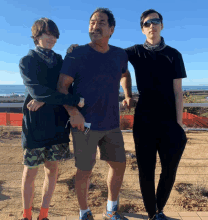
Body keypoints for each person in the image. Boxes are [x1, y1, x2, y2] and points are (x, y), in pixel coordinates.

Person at [58, 7, 132, 220]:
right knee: (84, 170)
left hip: (111, 123)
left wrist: (127, 94)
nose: (95, 26)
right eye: (92, 22)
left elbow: (125, 74)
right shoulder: (77, 54)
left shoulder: (119, 54)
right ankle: (84, 213)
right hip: (84, 125)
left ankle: (110, 210)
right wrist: (73, 112)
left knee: (119, 165)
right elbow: (62, 87)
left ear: (111, 29)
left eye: (101, 22)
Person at [123, 9, 188, 220]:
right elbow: (114, 64)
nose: (152, 25)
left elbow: (178, 92)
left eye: (156, 21)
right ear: (142, 29)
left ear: (162, 25)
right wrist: (127, 93)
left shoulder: (174, 55)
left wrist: (179, 124)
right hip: (144, 120)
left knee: (169, 170)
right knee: (146, 171)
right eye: (148, 23)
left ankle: (159, 209)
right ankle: (153, 214)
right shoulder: (134, 52)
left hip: (170, 122)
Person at [19, 17, 84, 220]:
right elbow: (36, 90)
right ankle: (27, 215)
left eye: (55, 35)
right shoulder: (27, 61)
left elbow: (64, 85)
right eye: (48, 34)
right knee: (30, 172)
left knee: (52, 170)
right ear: (37, 35)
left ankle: (44, 215)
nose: (52, 38)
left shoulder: (59, 60)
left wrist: (45, 99)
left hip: (57, 124)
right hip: (35, 125)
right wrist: (73, 100)